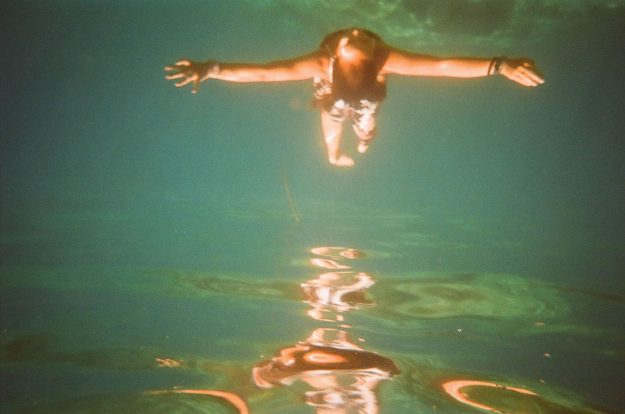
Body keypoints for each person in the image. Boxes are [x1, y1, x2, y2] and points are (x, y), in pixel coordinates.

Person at [165, 28, 544, 167]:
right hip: (332, 91)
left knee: (366, 124)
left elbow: (442, 66)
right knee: (331, 119)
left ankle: (361, 143)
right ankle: (334, 155)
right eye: (355, 38)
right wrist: (210, 69)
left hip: (365, 96)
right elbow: (265, 73)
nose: (356, 33)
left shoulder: (372, 61)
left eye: (358, 40)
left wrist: (500, 66)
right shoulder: (337, 63)